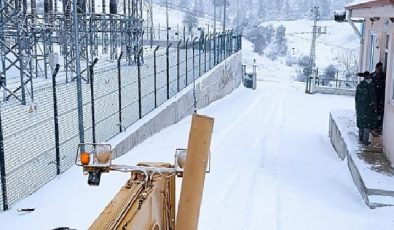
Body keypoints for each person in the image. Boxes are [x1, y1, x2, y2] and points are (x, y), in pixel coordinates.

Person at [355, 71, 377, 145]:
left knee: (361, 124)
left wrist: (357, 107)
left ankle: (360, 139)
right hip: (368, 108)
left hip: (360, 108)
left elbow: (356, 97)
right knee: (367, 125)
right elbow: (373, 98)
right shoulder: (370, 86)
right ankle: (365, 141)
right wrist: (374, 107)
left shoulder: (359, 85)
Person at [371, 62, 386, 134]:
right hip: (373, 98)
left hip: (380, 98)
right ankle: (372, 127)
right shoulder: (372, 76)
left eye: (380, 69)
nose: (379, 70)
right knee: (373, 112)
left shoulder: (384, 76)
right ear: (376, 68)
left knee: (379, 114)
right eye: (378, 68)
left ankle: (377, 128)